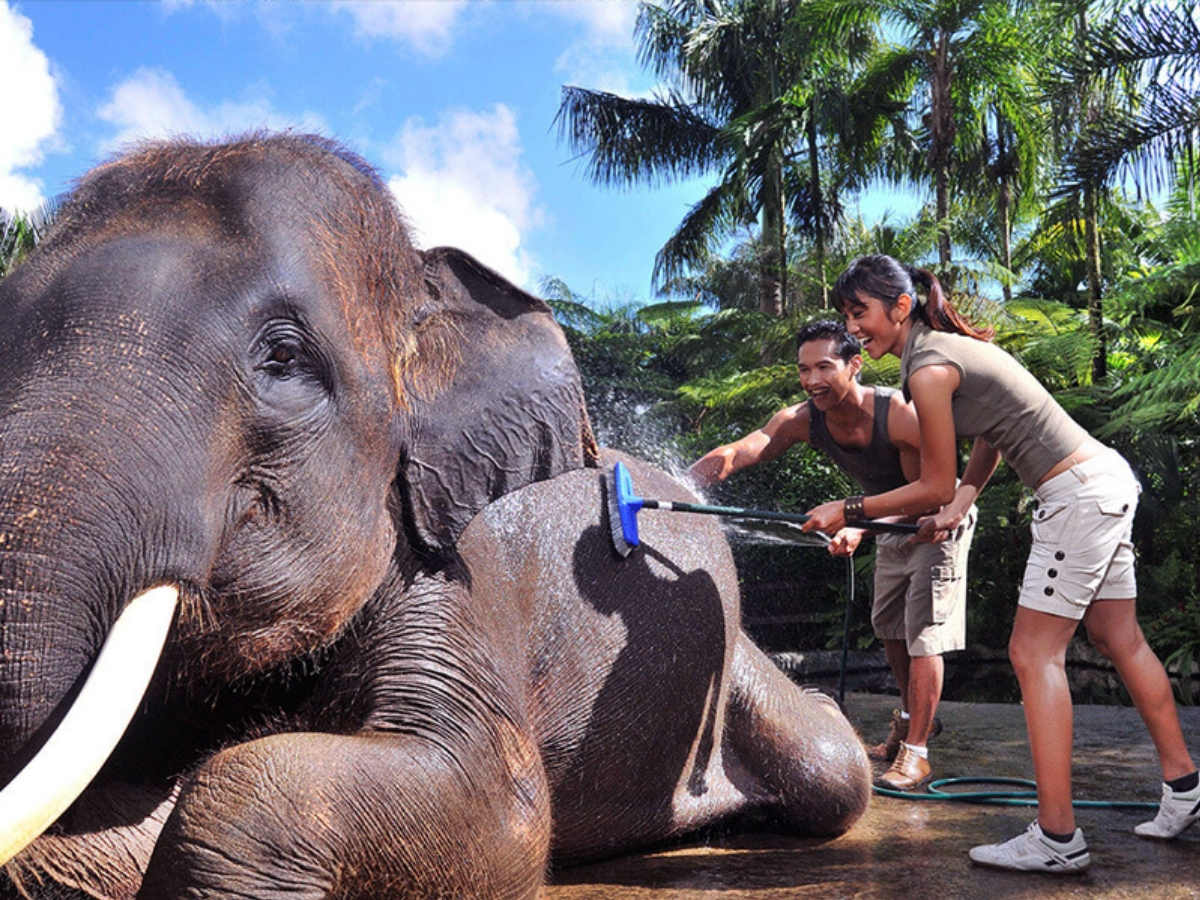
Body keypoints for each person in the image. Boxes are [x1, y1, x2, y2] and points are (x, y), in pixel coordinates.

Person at [802, 254, 1199, 874]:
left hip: (1075, 496)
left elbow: (930, 482)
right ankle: (1185, 788)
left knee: (1032, 653)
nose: (855, 330)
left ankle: (1057, 838)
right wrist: (963, 500)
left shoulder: (929, 368)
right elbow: (990, 433)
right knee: (1118, 636)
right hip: (1103, 479)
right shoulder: (941, 350)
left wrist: (850, 508)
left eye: (861, 314)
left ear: (900, 307)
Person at [689, 319, 977, 792]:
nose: (812, 380)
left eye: (824, 366)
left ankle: (917, 753)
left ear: (855, 365)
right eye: (804, 369)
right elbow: (749, 447)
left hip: (938, 520)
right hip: (880, 519)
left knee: (924, 634)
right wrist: (694, 476)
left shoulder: (899, 414)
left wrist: (859, 525)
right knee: (888, 628)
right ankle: (909, 719)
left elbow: (935, 490)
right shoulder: (802, 418)